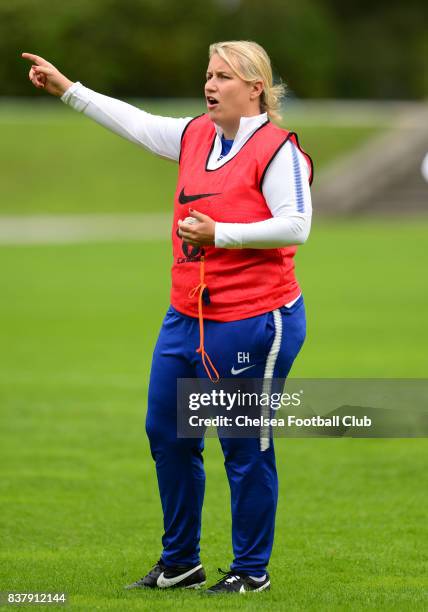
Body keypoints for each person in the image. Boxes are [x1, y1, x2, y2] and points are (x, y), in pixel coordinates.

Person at [22, 40, 313, 595]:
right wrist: (68, 90)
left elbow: (296, 224)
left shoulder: (278, 150)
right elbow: (135, 123)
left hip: (255, 317)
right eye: (208, 74)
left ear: (256, 88)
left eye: (224, 76)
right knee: (168, 433)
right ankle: (180, 563)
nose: (211, 85)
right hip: (187, 315)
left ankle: (251, 571)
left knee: (243, 446)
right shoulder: (195, 134)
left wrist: (219, 234)